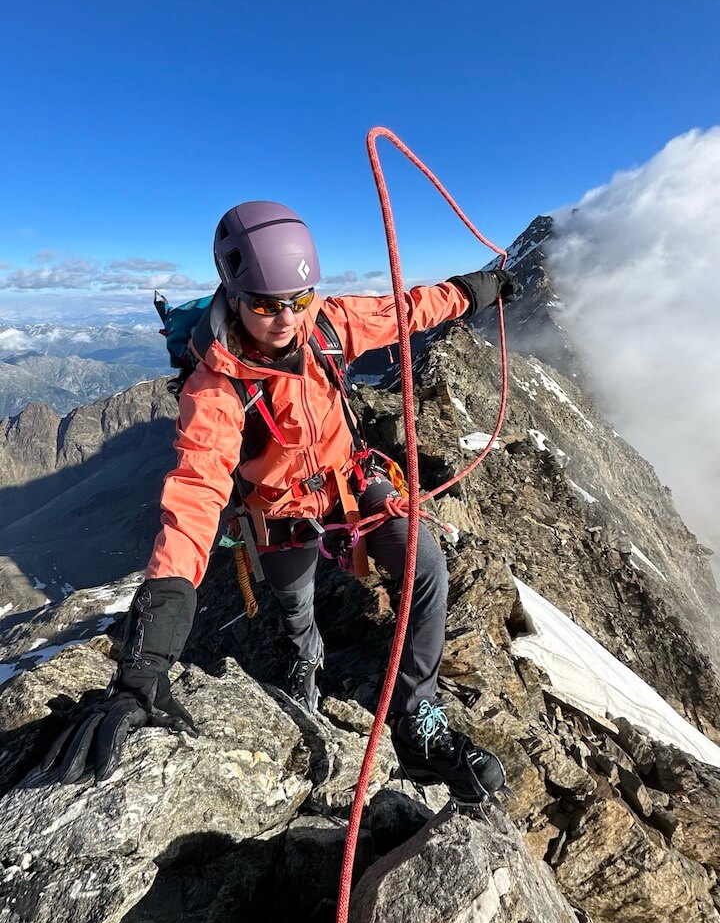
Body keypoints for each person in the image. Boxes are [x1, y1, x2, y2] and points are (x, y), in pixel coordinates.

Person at [43, 201, 515, 804]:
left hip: (350, 482)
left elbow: (406, 310)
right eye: (267, 304)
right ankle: (305, 659)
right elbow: (194, 495)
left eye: (298, 298)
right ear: (234, 295)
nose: (286, 318)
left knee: (425, 566)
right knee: (295, 608)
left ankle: (418, 716)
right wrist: (147, 660)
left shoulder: (327, 323)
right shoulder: (215, 388)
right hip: (281, 509)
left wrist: (480, 289)